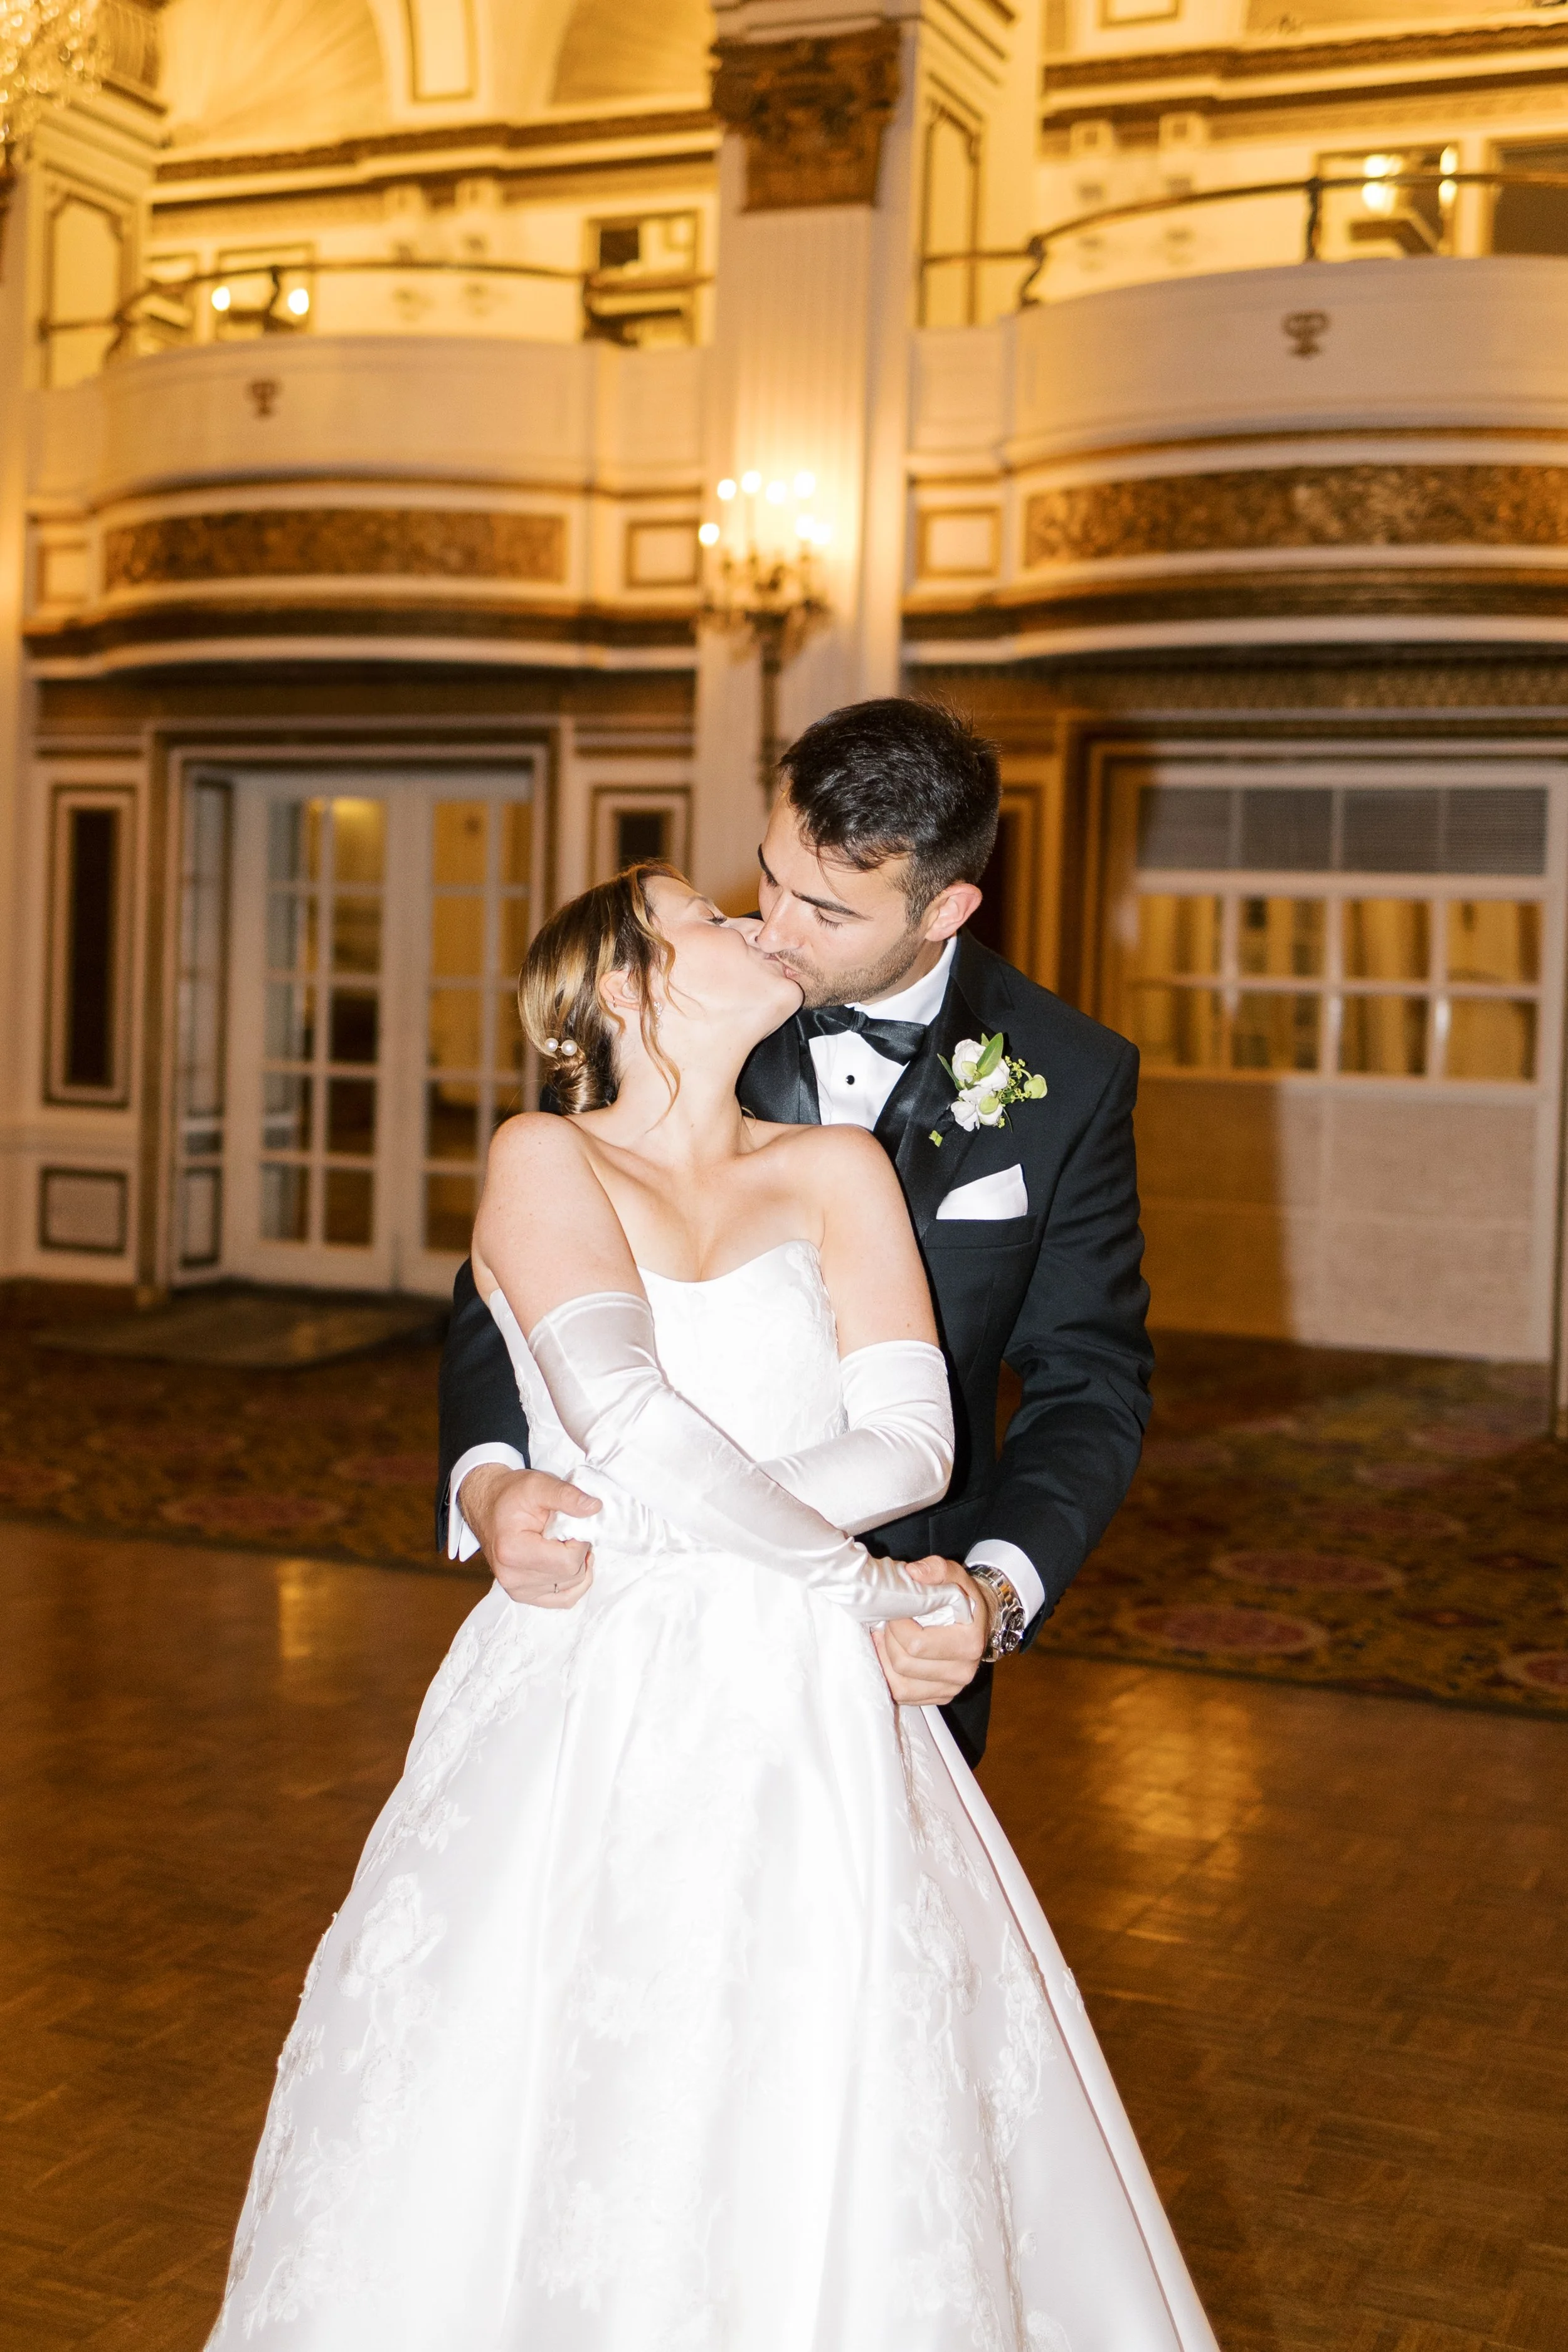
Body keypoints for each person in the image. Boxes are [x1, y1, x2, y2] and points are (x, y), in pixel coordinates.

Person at [208, 862, 1215, 2349]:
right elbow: (617, 1411)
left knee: (821, 2079)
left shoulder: (836, 1169)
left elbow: (915, 1442)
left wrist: (729, 1553)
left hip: (813, 1707)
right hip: (592, 1692)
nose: (755, 924)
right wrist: (838, 1573)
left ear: (943, 901)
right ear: (620, 988)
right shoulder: (544, 1156)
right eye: (707, 917)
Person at [440, 697, 1153, 1764]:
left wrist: (992, 1595)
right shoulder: (701, 1007)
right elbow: (511, 1290)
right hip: (615, 1624)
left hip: (897, 1635)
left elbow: (1091, 1380)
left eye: (825, 910)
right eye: (769, 874)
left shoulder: (1074, 1077)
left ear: (945, 907)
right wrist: (489, 1481)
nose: (773, 928)